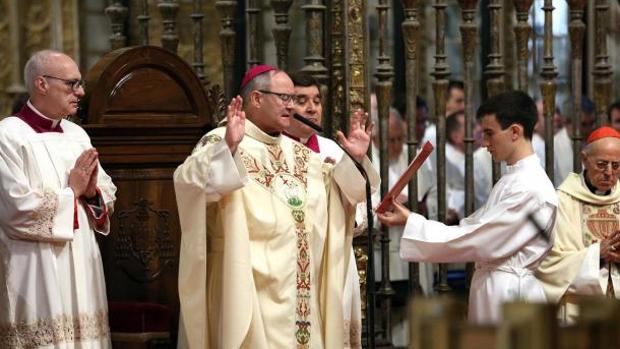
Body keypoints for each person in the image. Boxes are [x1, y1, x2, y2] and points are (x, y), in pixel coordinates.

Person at [173, 65, 379, 348]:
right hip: (250, 290)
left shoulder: (302, 155)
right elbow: (190, 184)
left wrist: (353, 162)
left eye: (294, 98)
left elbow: (343, 201)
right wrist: (228, 151)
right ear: (257, 99)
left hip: (301, 290)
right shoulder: (223, 140)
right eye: (285, 97)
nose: (292, 106)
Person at [377, 90, 558, 324]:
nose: (484, 143)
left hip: (513, 296)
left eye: (490, 134)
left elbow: (479, 238)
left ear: (515, 132)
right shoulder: (513, 180)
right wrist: (409, 219)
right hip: (497, 288)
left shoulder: (530, 187)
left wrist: (413, 222)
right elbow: (474, 227)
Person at [0, 50, 117, 348]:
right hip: (35, 265)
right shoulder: (8, 136)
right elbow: (15, 208)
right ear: (41, 84)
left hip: (82, 258)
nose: (80, 92)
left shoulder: (78, 135)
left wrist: (92, 194)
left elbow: (106, 191)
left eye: (80, 85)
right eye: (72, 84)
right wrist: (71, 192)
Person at [284, 71, 361, 348]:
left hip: (336, 254)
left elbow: (360, 212)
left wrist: (358, 161)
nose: (312, 108)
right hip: (293, 260)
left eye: (317, 100)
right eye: (301, 100)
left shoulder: (332, 149)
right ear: (285, 105)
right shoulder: (273, 151)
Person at [537, 126, 620, 324]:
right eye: (601, 164)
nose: (609, 172)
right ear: (584, 159)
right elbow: (548, 263)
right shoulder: (563, 201)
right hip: (578, 307)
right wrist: (596, 254)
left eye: (616, 165)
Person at [554, 96, 597, 186]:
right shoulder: (554, 147)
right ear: (566, 122)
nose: (589, 129)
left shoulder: (595, 142)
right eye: (584, 124)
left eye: (592, 123)